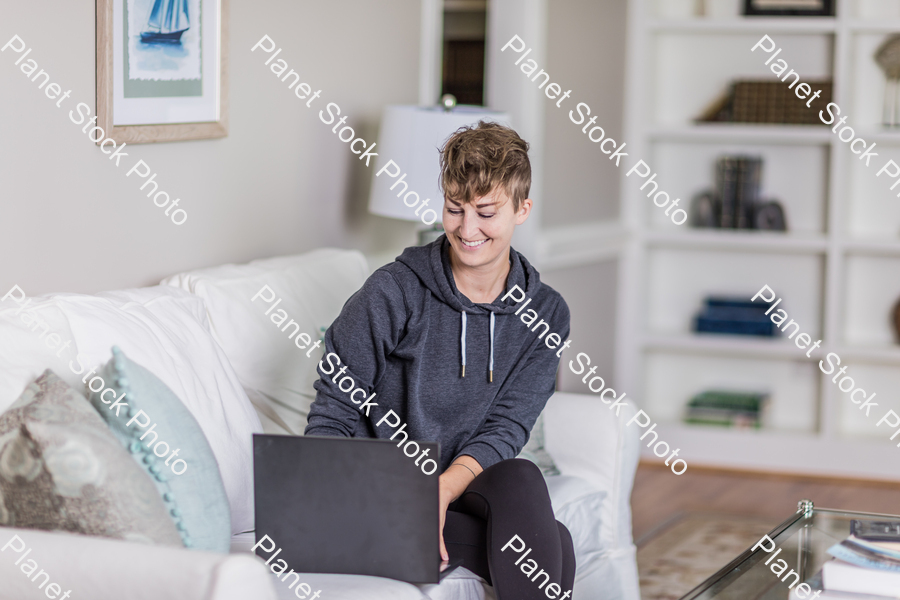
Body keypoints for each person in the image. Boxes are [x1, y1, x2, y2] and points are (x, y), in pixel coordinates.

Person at [305, 120, 575, 599]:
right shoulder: (392, 291)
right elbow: (335, 410)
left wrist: (444, 488)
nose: (466, 229)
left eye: (486, 212)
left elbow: (508, 427)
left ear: (522, 209)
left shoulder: (546, 312)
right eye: (455, 209)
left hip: (464, 486)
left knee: (521, 476)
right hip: (385, 486)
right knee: (558, 546)